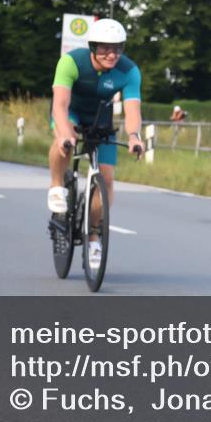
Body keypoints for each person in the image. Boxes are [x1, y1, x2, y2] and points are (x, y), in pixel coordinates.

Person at [47, 18, 143, 271]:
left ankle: (93, 238)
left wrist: (134, 136)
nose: (112, 54)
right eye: (105, 48)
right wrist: (65, 132)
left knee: (107, 179)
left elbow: (133, 109)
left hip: (101, 117)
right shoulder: (71, 61)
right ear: (92, 46)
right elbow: (60, 104)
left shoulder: (129, 71)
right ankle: (57, 185)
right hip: (71, 112)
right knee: (64, 142)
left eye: (118, 48)